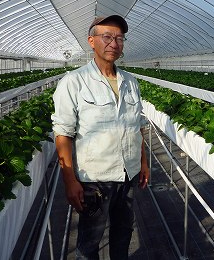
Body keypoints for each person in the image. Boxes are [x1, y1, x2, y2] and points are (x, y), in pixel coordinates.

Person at [51, 14, 149, 259]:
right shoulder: (74, 82)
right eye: (107, 36)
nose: (113, 43)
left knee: (124, 231)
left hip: (128, 173)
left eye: (119, 38)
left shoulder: (131, 82)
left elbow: (137, 125)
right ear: (91, 41)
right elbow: (63, 133)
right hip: (95, 179)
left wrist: (144, 162)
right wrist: (69, 180)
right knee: (89, 240)